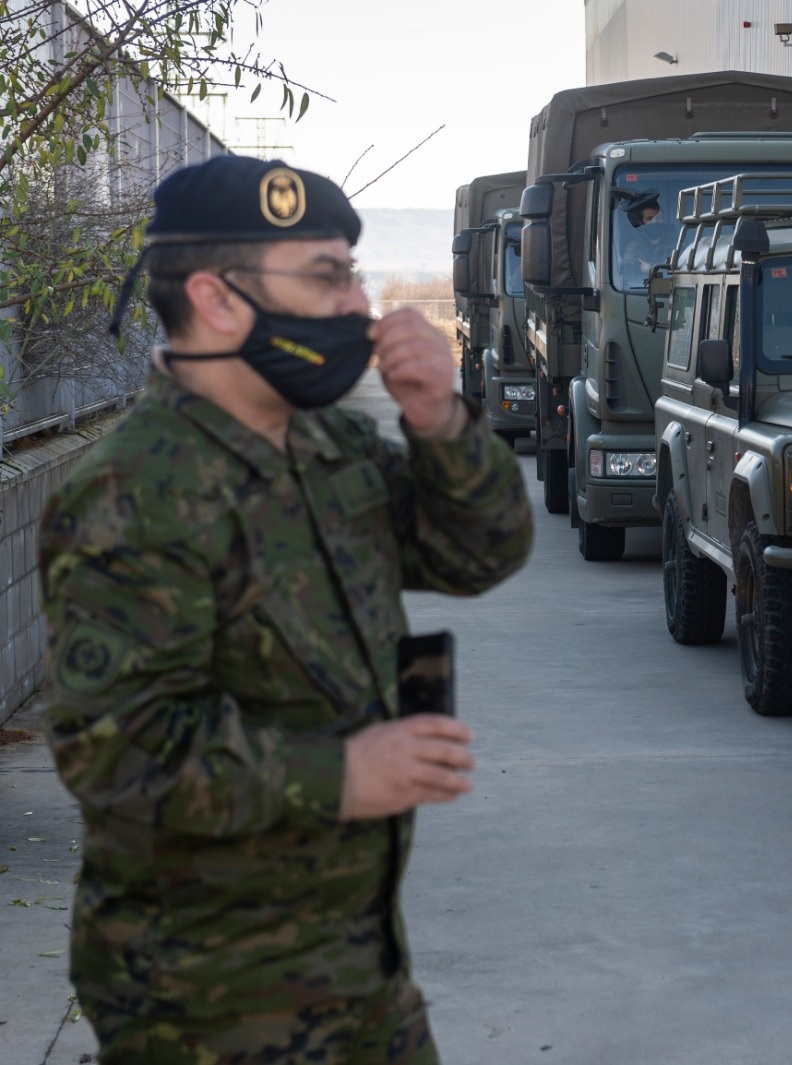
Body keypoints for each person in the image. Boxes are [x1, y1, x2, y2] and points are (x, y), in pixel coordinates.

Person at [38, 156, 534, 1064]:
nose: (359, 303)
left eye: (354, 272)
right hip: (207, 1005)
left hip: (359, 973)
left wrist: (440, 422)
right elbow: (117, 752)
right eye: (326, 276)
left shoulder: (329, 442)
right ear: (218, 301)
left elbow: (480, 553)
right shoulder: (133, 491)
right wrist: (342, 773)